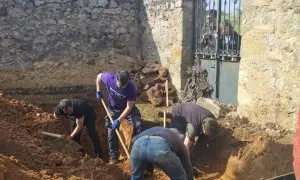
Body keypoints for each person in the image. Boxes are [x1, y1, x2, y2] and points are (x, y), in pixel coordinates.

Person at [96, 70, 143, 164]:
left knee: (138, 126)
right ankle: (113, 157)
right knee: (111, 132)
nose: (121, 86)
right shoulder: (109, 78)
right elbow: (99, 76)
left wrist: (118, 120)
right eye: (120, 84)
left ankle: (138, 155)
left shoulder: (131, 89)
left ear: (127, 82)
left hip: (128, 109)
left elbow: (129, 107)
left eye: (124, 85)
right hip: (113, 109)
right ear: (116, 79)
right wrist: (98, 90)